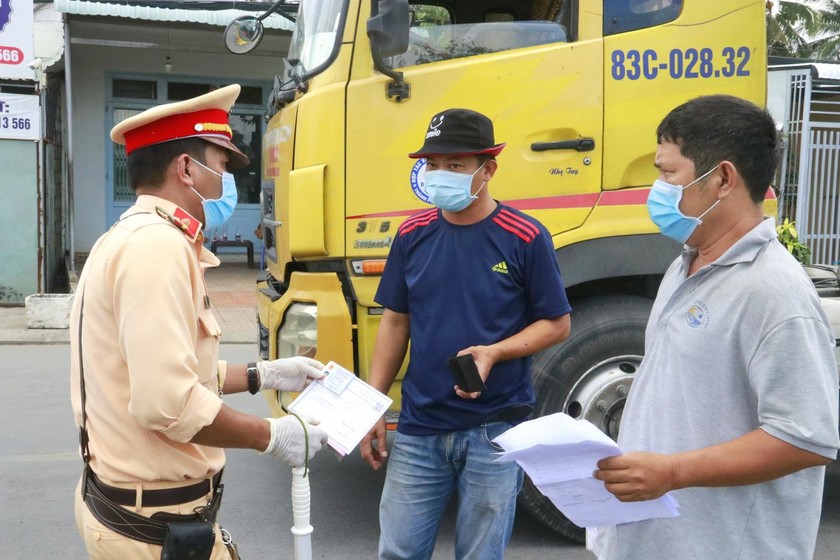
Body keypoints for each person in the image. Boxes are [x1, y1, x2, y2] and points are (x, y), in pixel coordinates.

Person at [70, 84, 328, 559]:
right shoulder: (157, 248)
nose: (227, 179)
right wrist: (272, 436)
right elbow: (168, 404)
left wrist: (262, 374)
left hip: (150, 518)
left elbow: (166, 372)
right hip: (153, 530)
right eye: (223, 164)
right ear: (186, 168)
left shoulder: (137, 237)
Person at [589, 94, 840, 559]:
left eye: (668, 174)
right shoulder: (685, 264)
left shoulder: (773, 291)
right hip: (655, 541)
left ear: (722, 179)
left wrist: (672, 472)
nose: (656, 189)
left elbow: (806, 439)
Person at [360, 108, 572, 559]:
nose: (440, 175)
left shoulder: (525, 236)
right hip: (420, 427)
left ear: (487, 169)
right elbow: (396, 321)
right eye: (432, 165)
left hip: (495, 428)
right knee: (398, 552)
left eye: (455, 165)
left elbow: (557, 323)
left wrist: (495, 352)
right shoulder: (412, 234)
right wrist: (371, 406)